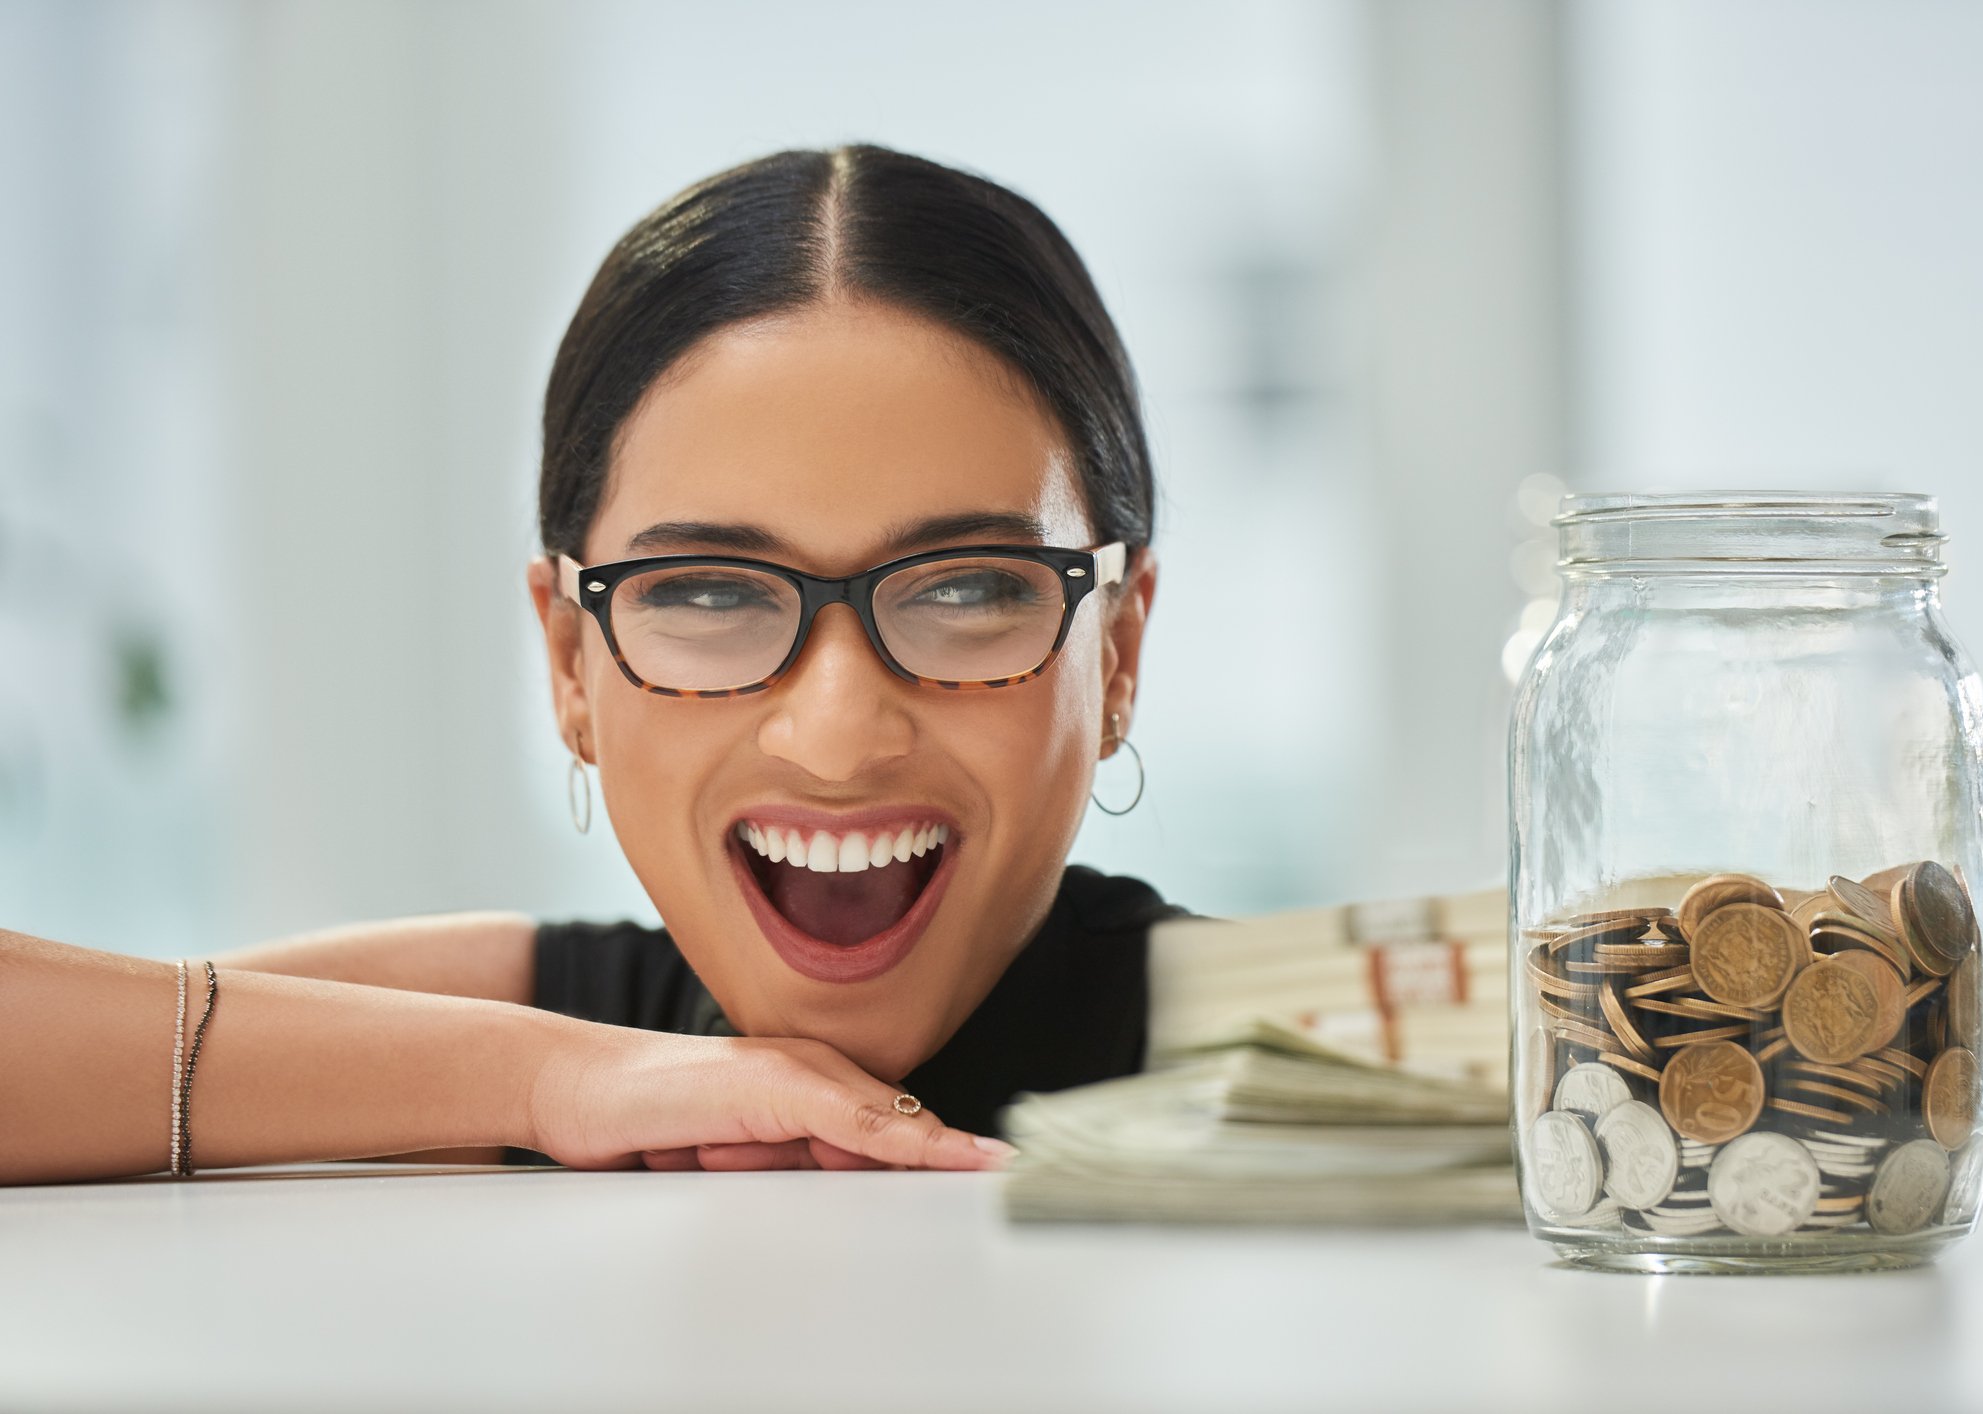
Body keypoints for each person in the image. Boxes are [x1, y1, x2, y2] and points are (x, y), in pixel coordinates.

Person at [0, 144, 1181, 1186]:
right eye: (708, 591)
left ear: (1116, 647)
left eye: (966, 589)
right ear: (571, 661)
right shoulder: (568, 1027)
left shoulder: (1285, 1028)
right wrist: (541, 1079)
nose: (833, 733)